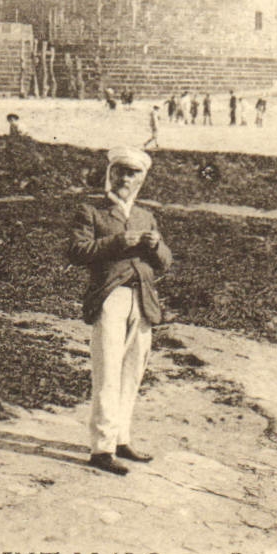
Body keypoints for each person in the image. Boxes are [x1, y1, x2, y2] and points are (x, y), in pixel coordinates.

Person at [66, 146, 172, 476]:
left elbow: (165, 263)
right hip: (110, 297)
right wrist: (118, 243)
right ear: (110, 174)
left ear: (142, 178)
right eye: (120, 171)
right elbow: (76, 251)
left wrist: (157, 247)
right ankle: (102, 448)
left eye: (133, 173)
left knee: (132, 371)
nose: (126, 178)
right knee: (108, 371)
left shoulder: (145, 215)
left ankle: (121, 438)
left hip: (143, 299)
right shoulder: (91, 211)